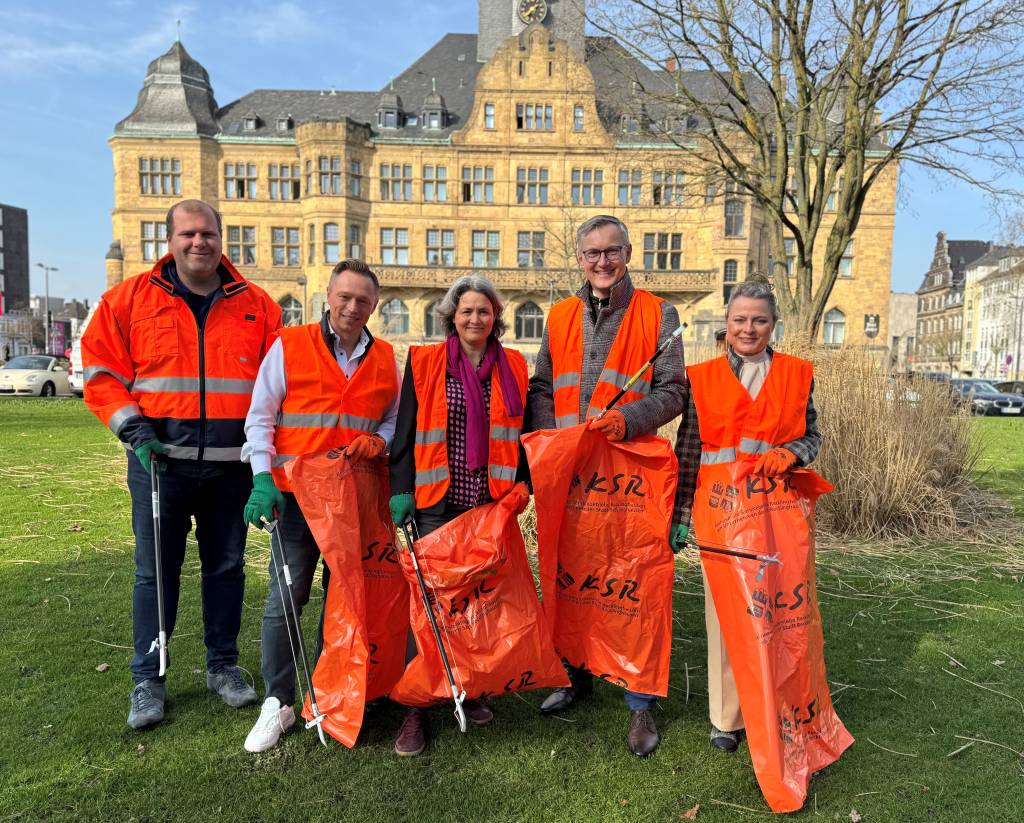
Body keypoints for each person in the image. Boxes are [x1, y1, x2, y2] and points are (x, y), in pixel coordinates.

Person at [82, 199, 281, 729]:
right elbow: (100, 373)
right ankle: (148, 677)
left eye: (209, 233)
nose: (200, 242)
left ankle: (223, 666)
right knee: (155, 574)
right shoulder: (127, 301)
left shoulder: (257, 306)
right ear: (168, 240)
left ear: (222, 239)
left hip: (229, 469)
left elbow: (279, 386)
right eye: (189, 233)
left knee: (226, 569)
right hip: (158, 465)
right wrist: (133, 428)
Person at [526, 214, 687, 757]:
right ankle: (573, 673)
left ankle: (640, 702)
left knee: (635, 577)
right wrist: (556, 435)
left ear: (627, 253)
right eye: (592, 253)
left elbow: (674, 392)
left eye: (611, 252)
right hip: (572, 470)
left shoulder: (658, 313)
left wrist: (630, 420)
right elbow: (542, 385)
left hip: (627, 475)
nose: (602, 262)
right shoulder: (561, 315)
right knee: (570, 572)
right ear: (580, 258)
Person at [239, 258, 400, 753]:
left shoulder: (387, 357)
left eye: (364, 301)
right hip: (295, 499)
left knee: (345, 601)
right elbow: (260, 418)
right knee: (287, 597)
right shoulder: (290, 346)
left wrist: (380, 440)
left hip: (355, 502)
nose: (353, 308)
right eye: (345, 297)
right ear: (328, 296)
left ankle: (328, 691)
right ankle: (278, 701)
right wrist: (262, 477)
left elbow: (394, 420)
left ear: (375, 306)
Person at [671, 279, 821, 753]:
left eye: (759, 320)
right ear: (727, 323)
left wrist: (792, 454)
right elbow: (689, 449)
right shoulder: (703, 377)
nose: (748, 328)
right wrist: (678, 514)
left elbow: (813, 435)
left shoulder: (797, 374)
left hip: (777, 514)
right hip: (721, 516)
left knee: (778, 612)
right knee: (726, 617)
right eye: (740, 320)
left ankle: (774, 706)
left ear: (774, 325)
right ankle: (726, 717)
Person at [388, 275, 529, 756]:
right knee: (427, 606)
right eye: (467, 311)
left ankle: (467, 689)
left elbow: (522, 430)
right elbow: (404, 429)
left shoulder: (513, 366)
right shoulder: (425, 361)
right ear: (452, 316)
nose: (475, 319)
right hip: (435, 501)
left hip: (488, 502)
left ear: (496, 319)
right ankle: (416, 708)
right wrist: (401, 488)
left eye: (484, 312)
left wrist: (523, 483)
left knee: (476, 605)